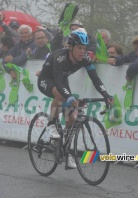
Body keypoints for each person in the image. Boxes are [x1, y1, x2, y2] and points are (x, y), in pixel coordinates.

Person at [37, 30, 113, 168]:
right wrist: (68, 96)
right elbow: (59, 80)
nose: (82, 51)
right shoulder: (61, 57)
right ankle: (51, 124)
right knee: (61, 96)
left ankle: (64, 150)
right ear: (71, 47)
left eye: (84, 48)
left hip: (61, 83)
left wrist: (106, 95)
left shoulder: (84, 59)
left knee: (71, 117)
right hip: (47, 80)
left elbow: (95, 79)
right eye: (79, 48)